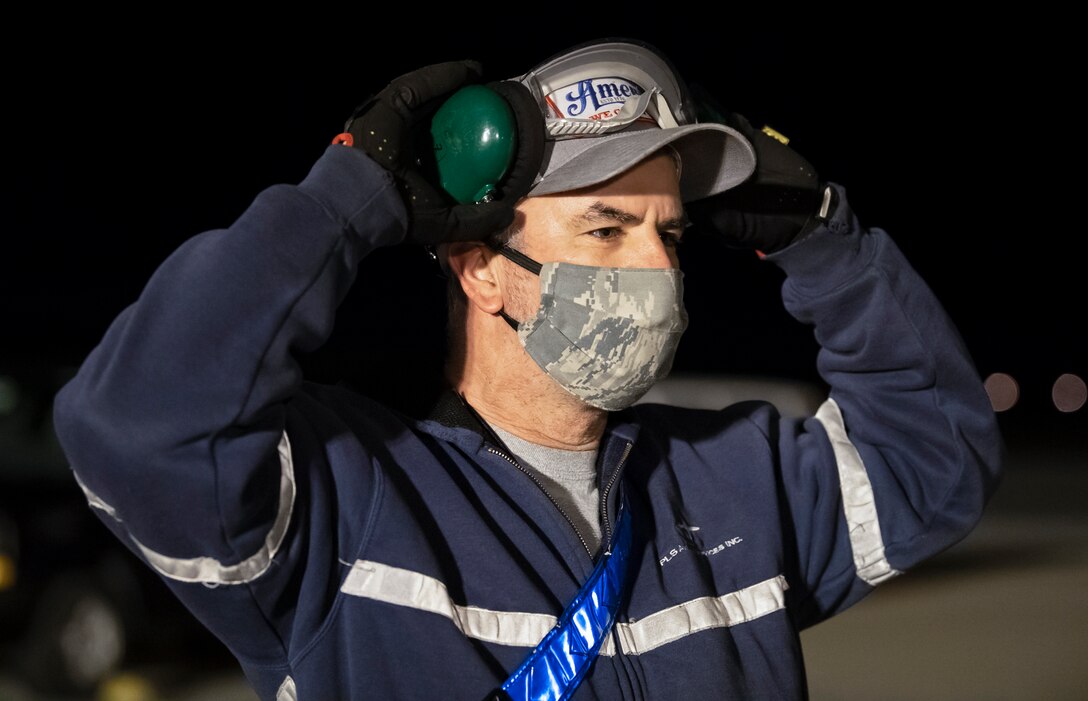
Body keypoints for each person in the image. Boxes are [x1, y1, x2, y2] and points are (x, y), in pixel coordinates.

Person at [52, 38, 1004, 700]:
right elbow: (139, 426)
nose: (659, 268)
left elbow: (937, 454)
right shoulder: (350, 505)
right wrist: (346, 201)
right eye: (606, 226)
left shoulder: (739, 480)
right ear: (483, 269)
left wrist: (825, 243)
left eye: (669, 231)